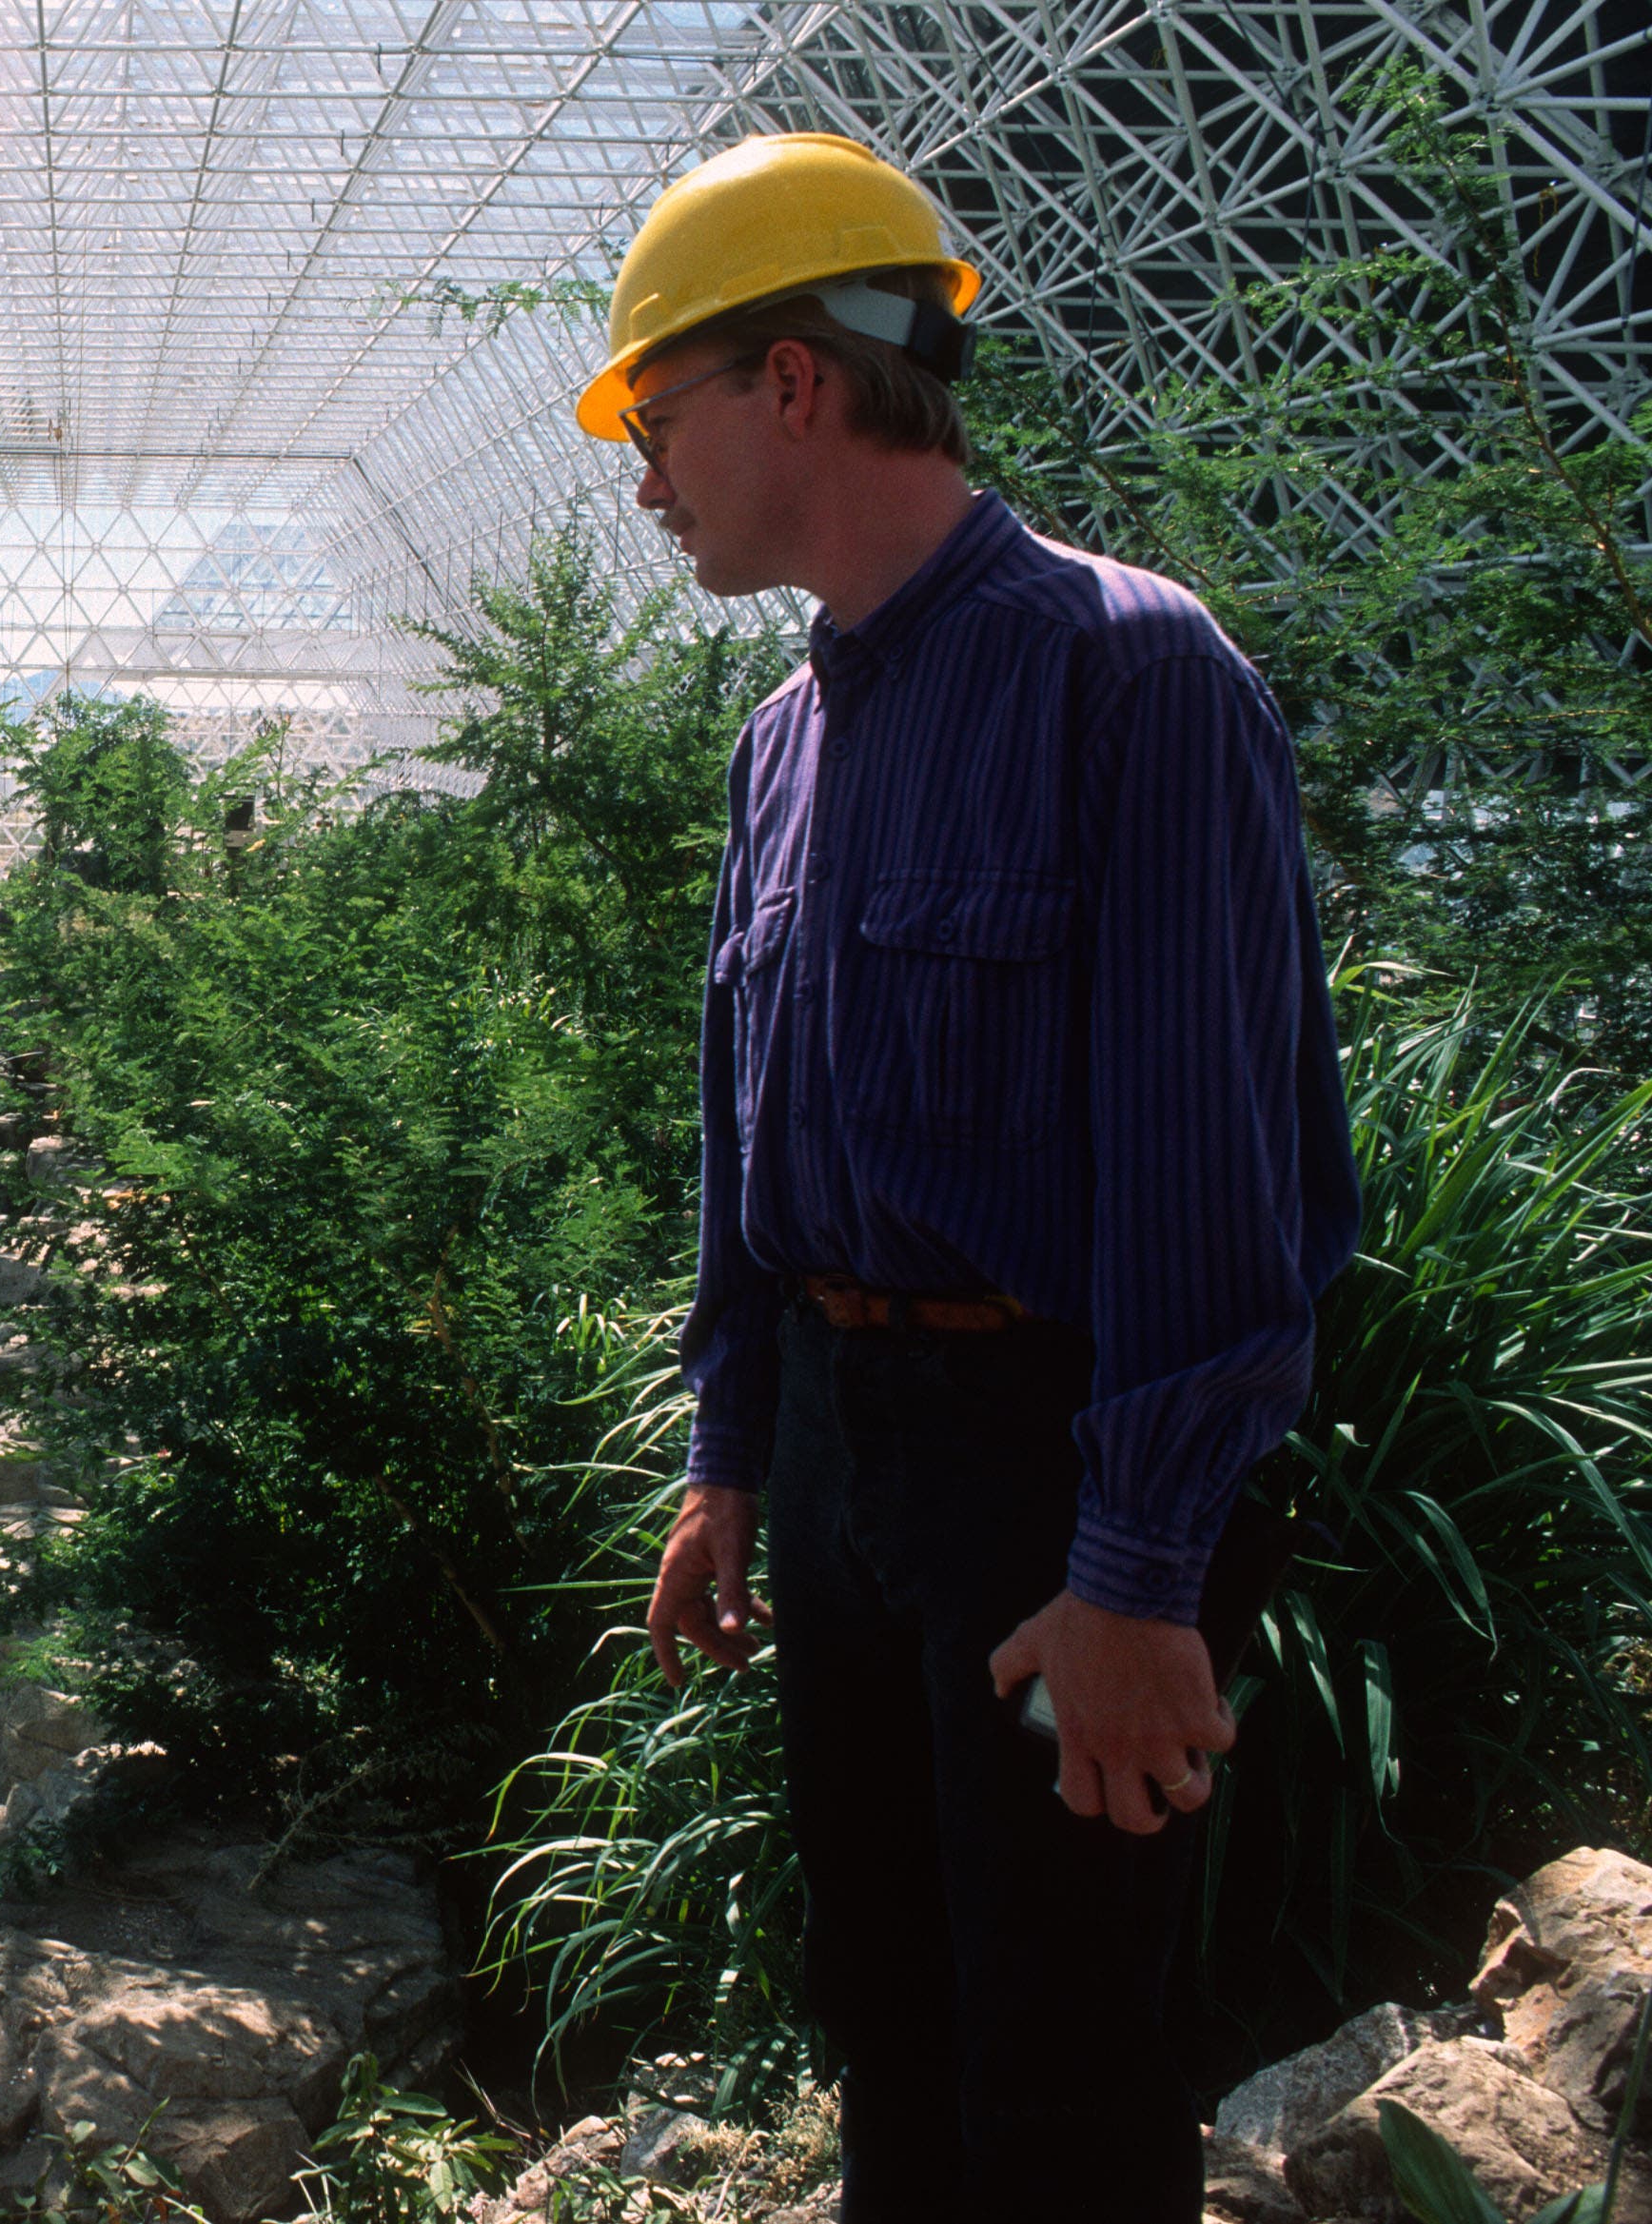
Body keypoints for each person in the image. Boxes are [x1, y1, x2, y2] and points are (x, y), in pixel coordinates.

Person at [590, 134, 1363, 2221]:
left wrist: (1140, 1568)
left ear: (794, 386)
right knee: (892, 2025)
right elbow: (752, 1128)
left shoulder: (1132, 673)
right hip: (850, 1463)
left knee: (1069, 2066)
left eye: (652, 417)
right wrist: (733, 1448)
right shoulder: (781, 741)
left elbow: (1225, 1169)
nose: (640, 477)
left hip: (1057, 1468)